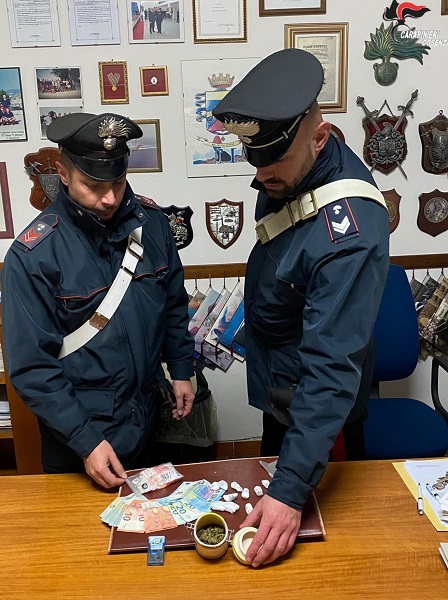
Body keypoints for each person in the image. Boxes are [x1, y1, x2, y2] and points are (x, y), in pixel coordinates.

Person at [213, 49, 389, 567]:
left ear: (320, 136)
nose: (262, 175)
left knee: (324, 550)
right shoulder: (289, 169)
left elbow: (332, 370)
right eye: (255, 159)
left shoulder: (350, 232)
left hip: (319, 413)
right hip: (283, 389)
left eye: (274, 163)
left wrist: (291, 490)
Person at [1, 112, 195, 489]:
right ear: (63, 173)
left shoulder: (152, 225)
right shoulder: (34, 255)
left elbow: (172, 302)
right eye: (92, 184)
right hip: (79, 443)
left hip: (149, 422)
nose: (108, 198)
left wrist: (182, 369)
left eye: (118, 182)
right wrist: (85, 441)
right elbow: (31, 367)